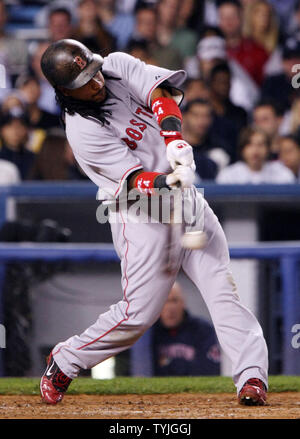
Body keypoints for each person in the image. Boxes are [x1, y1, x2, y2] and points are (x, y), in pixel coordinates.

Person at [39, 38, 268, 407]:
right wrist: (168, 180)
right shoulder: (81, 131)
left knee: (223, 289)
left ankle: (252, 376)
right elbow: (131, 181)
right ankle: (67, 359)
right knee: (138, 315)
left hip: (186, 203)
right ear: (66, 90)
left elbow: (160, 92)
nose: (96, 82)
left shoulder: (114, 65)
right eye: (85, 81)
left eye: (93, 72)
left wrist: (175, 140)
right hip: (140, 214)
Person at [152, 282, 220, 376]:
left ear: (183, 303)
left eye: (174, 301)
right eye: (165, 301)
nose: (170, 308)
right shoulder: (149, 332)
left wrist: (169, 365)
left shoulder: (203, 329)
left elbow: (211, 370)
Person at [217, 126, 295, 184]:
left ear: (268, 149)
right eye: (250, 145)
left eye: (260, 144)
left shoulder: (282, 173)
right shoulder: (228, 175)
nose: (255, 150)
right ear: (242, 149)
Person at [217, 0, 269, 85]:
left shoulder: (257, 52)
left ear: (241, 17)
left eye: (233, 16)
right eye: (223, 17)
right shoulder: (213, 51)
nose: (228, 21)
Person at [182, 99, 230, 178]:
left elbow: (208, 173)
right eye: (196, 115)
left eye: (206, 116)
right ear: (184, 116)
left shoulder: (218, 148)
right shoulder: (169, 145)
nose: (201, 121)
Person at [0, 109, 35, 180]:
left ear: (27, 131)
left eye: (20, 126)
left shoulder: (34, 159)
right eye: (10, 126)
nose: (15, 131)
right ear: (2, 130)